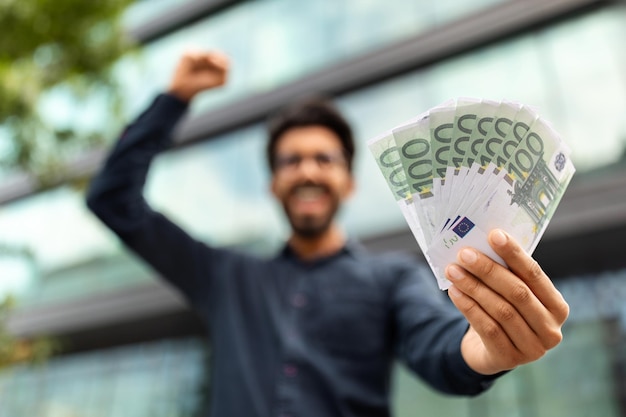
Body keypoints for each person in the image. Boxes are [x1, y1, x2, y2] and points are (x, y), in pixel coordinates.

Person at [86, 51, 569, 417]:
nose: (307, 171)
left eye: (325, 159)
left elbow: (438, 345)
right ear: (273, 183)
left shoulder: (392, 278)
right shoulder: (224, 276)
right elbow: (111, 199)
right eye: (290, 161)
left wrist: (488, 349)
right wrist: (174, 99)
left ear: (349, 181)